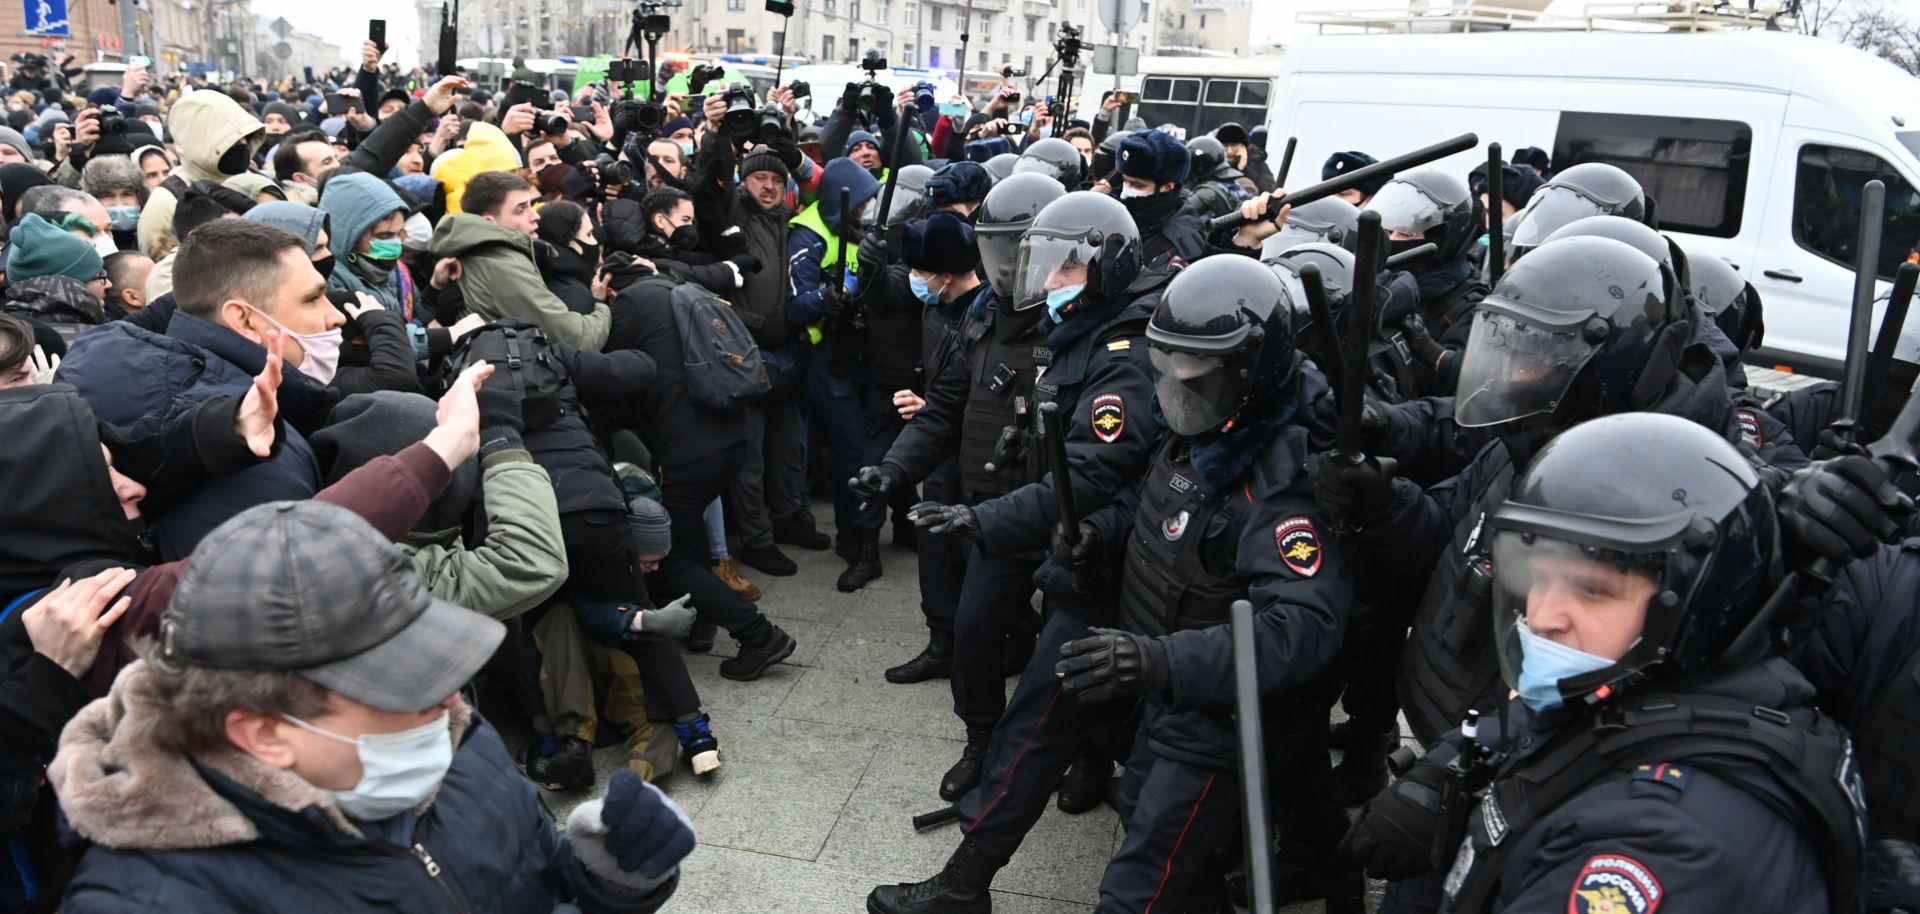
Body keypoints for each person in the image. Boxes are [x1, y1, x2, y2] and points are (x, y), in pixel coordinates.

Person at [44, 499, 697, 913]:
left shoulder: (461, 745)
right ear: (265, 733)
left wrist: (607, 876)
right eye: (400, 686)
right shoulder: (156, 900)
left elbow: (541, 881)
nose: (449, 700)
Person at [1345, 413, 1863, 914]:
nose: (1544, 616)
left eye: (1592, 590)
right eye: (1536, 579)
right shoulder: (1638, 692)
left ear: (1694, 607)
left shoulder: (1657, 846)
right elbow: (1550, 725)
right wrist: (1447, 768)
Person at [893, 190, 1169, 838]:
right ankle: (981, 742)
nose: (1043, 280)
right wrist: (898, 468)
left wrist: (989, 517)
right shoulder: (996, 315)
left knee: (1072, 659)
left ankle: (1088, 757)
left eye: (1062, 267)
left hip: (1076, 526)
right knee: (976, 626)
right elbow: (950, 401)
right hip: (1005, 509)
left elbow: (1096, 465)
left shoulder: (1110, 341)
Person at [56, 219, 342, 559]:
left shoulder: (157, 374)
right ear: (245, 320)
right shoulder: (261, 458)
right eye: (312, 299)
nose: (335, 315)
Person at [430, 171, 611, 351]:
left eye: (530, 205)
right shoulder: (502, 265)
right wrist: (601, 306)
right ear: (489, 221)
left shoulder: (486, 254)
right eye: (521, 209)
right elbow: (576, 339)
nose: (535, 216)